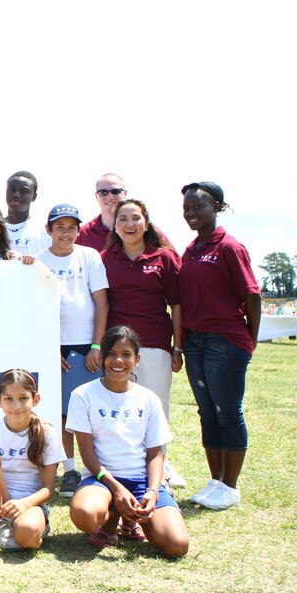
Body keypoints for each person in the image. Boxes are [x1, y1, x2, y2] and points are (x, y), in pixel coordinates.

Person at [67, 326, 189, 557]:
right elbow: (88, 454)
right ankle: (113, 514)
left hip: (143, 483)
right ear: (102, 357)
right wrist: (117, 489)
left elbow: (156, 454)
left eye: (126, 355)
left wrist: (152, 492)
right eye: (111, 354)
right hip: (102, 480)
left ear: (137, 359)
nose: (118, 361)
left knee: (177, 546)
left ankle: (135, 518)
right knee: (84, 515)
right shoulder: (83, 395)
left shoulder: (148, 399)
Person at [178, 182, 261, 510]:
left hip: (224, 340)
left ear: (217, 207)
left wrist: (249, 341)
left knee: (228, 412)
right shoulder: (191, 249)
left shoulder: (228, 246)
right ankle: (216, 481)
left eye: (198, 207)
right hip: (195, 341)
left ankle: (231, 485)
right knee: (206, 413)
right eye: (187, 208)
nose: (191, 213)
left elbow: (252, 296)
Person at [100, 199, 186, 487]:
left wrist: (177, 346)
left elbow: (176, 304)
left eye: (135, 218)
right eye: (122, 219)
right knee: (122, 407)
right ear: (115, 225)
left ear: (146, 223)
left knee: (156, 406)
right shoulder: (105, 259)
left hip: (155, 343)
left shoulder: (164, 258)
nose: (129, 224)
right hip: (117, 347)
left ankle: (162, 462)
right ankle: (122, 464)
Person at [35, 204, 109, 498]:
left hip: (86, 345)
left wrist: (96, 346)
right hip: (53, 348)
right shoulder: (38, 261)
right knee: (61, 414)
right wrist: (49, 350)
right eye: (59, 227)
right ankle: (70, 469)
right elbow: (33, 311)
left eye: (71, 227)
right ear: (48, 230)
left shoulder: (89, 256)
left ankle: (96, 469)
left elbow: (101, 303)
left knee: (89, 412)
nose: (66, 233)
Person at [0, 369, 63, 551]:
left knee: (27, 536)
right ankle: (2, 523)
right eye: (9, 398)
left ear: (36, 399)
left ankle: (30, 527)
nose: (16, 405)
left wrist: (24, 504)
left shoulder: (47, 434)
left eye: (23, 398)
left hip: (30, 504)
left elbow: (48, 489)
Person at [4, 171, 49, 257]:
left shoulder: (44, 230)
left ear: (34, 197)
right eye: (11, 189)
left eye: (24, 191)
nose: (16, 195)